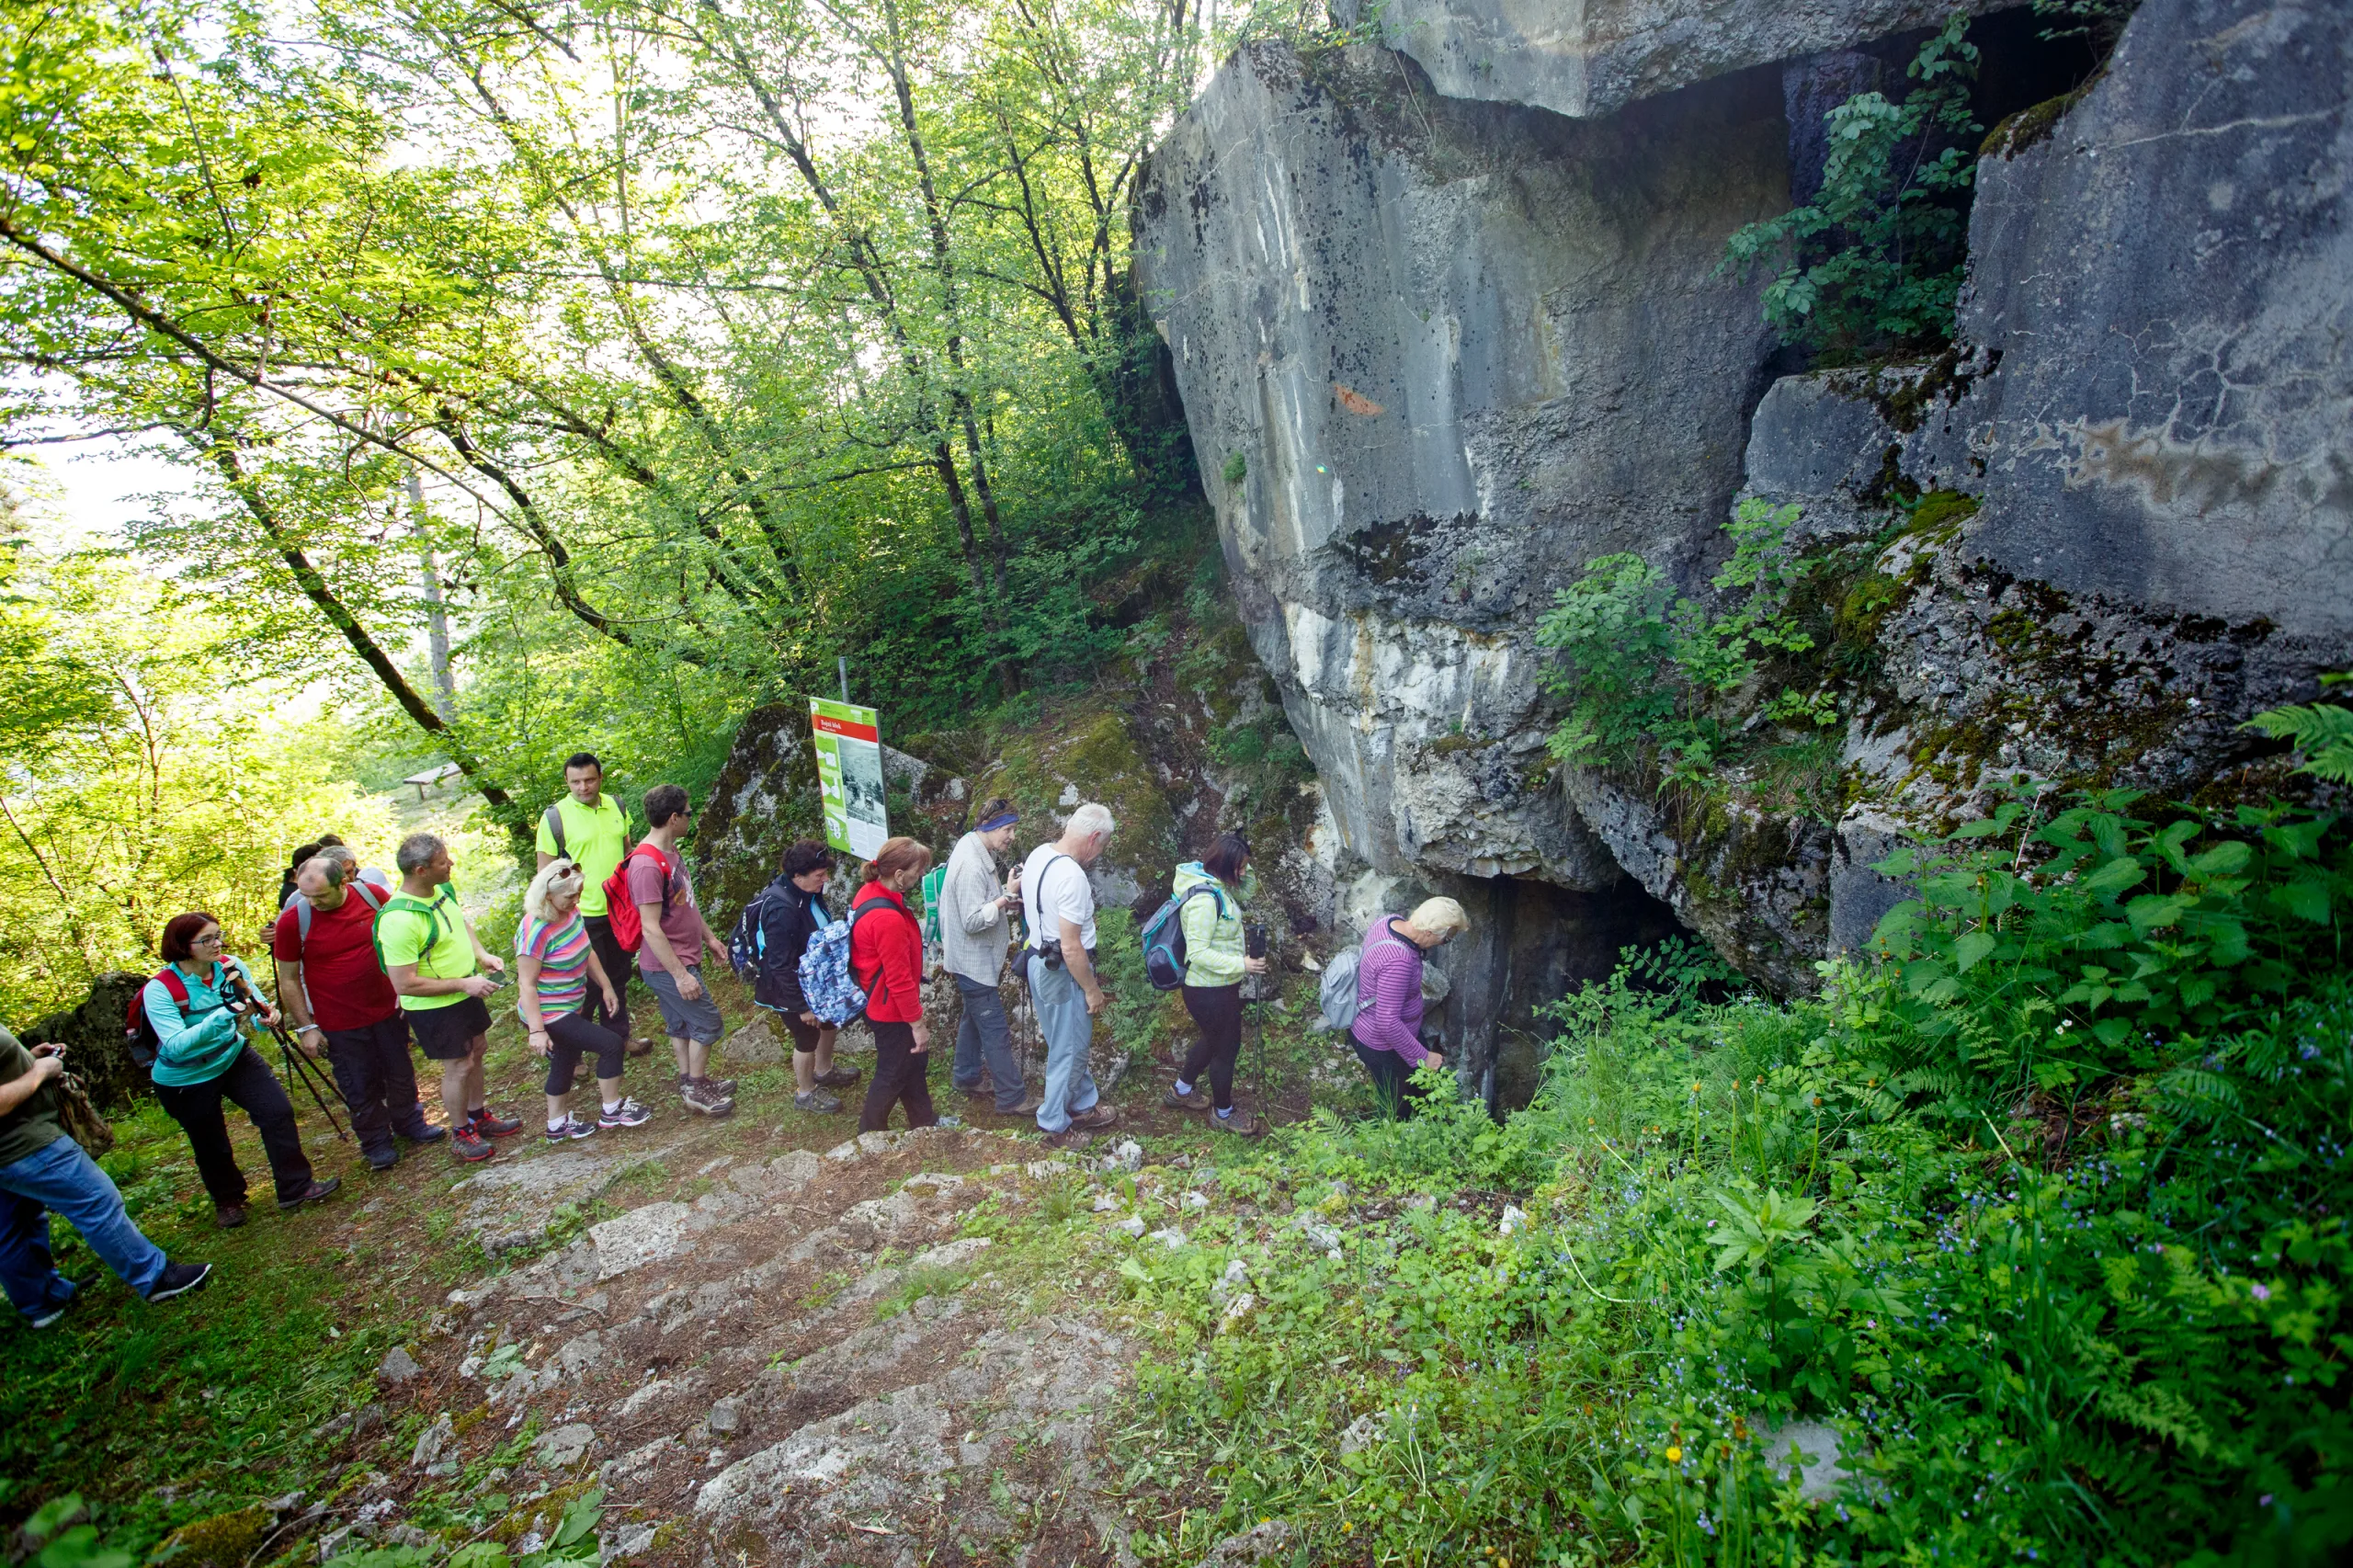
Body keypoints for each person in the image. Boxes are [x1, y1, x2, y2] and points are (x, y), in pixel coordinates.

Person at [0, 1023, 210, 1326]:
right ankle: (156, 1278)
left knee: (16, 1224)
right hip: (21, 1143)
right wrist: (40, 1073)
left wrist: (24, 1058)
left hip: (14, 1145)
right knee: (95, 1200)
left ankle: (44, 1303)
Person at [145, 912, 340, 1226]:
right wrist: (225, 1015)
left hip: (233, 1056)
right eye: (206, 939)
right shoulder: (160, 989)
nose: (217, 943)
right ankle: (229, 1201)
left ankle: (296, 1187)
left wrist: (266, 1016)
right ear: (182, 946)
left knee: (277, 1112)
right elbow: (176, 1044)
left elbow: (256, 1009)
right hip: (185, 1076)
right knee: (210, 1141)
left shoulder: (230, 967)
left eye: (218, 935)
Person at [274, 846, 447, 1172]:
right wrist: (306, 1027)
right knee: (359, 1081)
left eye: (320, 896)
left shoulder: (372, 895)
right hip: (339, 1020)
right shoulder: (293, 921)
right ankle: (376, 1143)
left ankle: (409, 1122)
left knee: (399, 1069)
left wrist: (411, 988)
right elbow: (289, 980)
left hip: (388, 1007)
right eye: (306, 895)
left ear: (344, 882)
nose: (312, 903)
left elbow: (403, 937)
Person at [378, 833, 520, 1164]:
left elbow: (459, 922)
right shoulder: (398, 920)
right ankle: (460, 1133)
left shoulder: (439, 891)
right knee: (458, 1065)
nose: (451, 864)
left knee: (478, 1051)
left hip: (464, 990)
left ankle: (478, 1116)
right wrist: (463, 984)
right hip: (435, 1006)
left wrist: (481, 954)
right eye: (444, 862)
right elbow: (404, 984)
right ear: (420, 870)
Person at [516, 858, 650, 1142]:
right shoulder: (535, 929)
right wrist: (537, 1031)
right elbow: (526, 984)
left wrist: (606, 987)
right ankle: (612, 1110)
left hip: (571, 1003)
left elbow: (587, 950)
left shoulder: (573, 914)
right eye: (569, 896)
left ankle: (557, 1124)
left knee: (564, 1058)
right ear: (547, 895)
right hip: (549, 1011)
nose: (576, 900)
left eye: (579, 894)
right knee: (611, 1044)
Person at [630, 785, 735, 1116]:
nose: (692, 818)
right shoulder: (646, 865)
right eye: (688, 813)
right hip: (667, 967)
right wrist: (680, 976)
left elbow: (686, 903)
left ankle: (690, 1081)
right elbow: (649, 927)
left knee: (680, 1025)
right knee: (708, 1023)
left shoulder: (672, 853)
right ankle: (696, 1086)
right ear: (673, 818)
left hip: (683, 958)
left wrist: (710, 938)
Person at [1021, 803, 1121, 1151]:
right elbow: (1072, 947)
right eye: (1103, 846)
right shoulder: (1073, 878)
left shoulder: (1039, 855)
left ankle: (1081, 1103)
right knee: (1070, 1046)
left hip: (1037, 961)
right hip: (1063, 971)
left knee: (1064, 1040)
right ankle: (1054, 1123)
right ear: (1094, 838)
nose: (1099, 854)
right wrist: (1091, 989)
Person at [534, 753, 648, 1057]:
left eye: (589, 780)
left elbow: (626, 852)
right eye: (576, 782)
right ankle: (572, 1054)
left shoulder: (617, 806)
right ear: (567, 782)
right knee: (586, 987)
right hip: (579, 915)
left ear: (600, 778)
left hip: (619, 911)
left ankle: (619, 1037)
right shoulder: (554, 818)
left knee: (619, 977)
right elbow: (545, 875)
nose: (583, 787)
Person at [1160, 833, 1268, 1137]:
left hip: (1218, 987)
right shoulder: (1205, 901)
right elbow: (1198, 953)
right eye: (1241, 868)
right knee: (1226, 1049)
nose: (1245, 874)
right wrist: (1243, 964)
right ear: (1224, 866)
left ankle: (1181, 1091)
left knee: (1212, 1039)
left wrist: (1244, 855)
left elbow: (1247, 890)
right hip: (1208, 990)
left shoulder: (1220, 887)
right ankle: (1223, 1113)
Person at [749, 840, 861, 1114]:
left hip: (812, 979)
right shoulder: (782, 910)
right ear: (797, 876)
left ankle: (824, 1070)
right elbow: (780, 964)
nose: (825, 880)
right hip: (787, 987)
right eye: (819, 876)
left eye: (825, 874)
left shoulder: (806, 892)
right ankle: (805, 1092)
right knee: (806, 1037)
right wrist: (801, 1006)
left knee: (828, 1022)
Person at [941, 799, 1037, 1116]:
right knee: (994, 1028)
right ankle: (1012, 1097)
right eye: (1007, 829)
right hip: (973, 961)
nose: (1011, 836)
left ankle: (965, 1076)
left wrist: (1002, 899)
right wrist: (1005, 898)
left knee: (974, 1017)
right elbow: (970, 920)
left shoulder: (974, 848)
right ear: (989, 827)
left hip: (973, 959)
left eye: (1013, 829)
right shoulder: (970, 864)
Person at [1347, 897, 1470, 1119]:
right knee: (1397, 1108)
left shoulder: (1390, 922)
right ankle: (1388, 1148)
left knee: (1426, 1087)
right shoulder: (1398, 961)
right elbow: (1387, 1022)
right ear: (1430, 933)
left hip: (1400, 1031)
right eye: (1447, 939)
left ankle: (1430, 1131)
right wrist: (1423, 1057)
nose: (1445, 944)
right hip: (1380, 1043)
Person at [848, 837, 937, 1133]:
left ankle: (925, 1123)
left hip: (877, 1000)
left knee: (913, 1065)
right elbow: (898, 980)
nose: (920, 877)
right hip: (891, 1010)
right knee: (892, 1072)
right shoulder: (888, 919)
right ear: (899, 875)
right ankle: (869, 1134)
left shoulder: (868, 893)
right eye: (918, 871)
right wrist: (917, 1024)